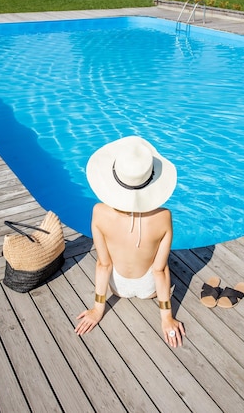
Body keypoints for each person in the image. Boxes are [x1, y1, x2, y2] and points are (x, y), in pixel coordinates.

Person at [75, 136, 185, 347]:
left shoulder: (99, 212)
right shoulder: (163, 216)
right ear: (151, 180)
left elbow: (103, 264)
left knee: (108, 261)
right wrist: (166, 318)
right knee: (161, 263)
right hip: (149, 289)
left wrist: (98, 309)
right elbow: (159, 270)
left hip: (117, 287)